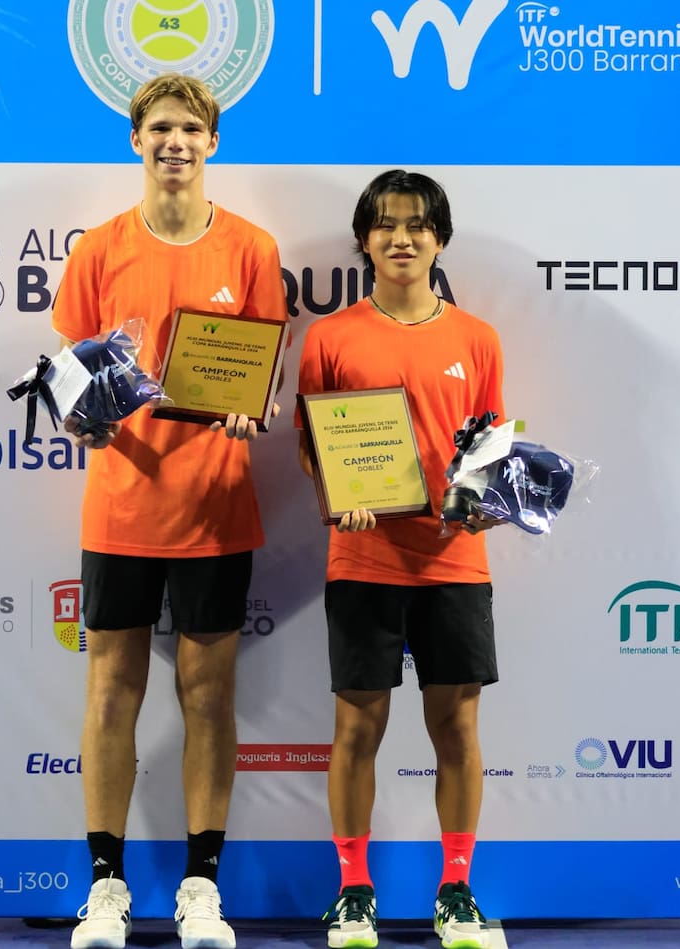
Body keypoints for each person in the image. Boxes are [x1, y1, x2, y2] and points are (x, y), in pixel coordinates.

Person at [51, 73, 288, 949]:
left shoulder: (253, 248)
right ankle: (105, 886)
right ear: (136, 140)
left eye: (190, 127)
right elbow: (69, 370)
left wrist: (252, 407)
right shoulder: (99, 249)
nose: (175, 142)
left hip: (216, 509)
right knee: (111, 692)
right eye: (159, 128)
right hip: (120, 507)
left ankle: (201, 886)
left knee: (209, 696)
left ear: (213, 142)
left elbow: (261, 373)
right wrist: (79, 416)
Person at [296, 170, 506, 949]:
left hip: (454, 562)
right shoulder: (331, 336)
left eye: (417, 225)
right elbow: (312, 444)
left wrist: (485, 499)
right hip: (363, 557)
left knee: (457, 727)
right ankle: (353, 892)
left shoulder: (478, 338)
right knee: (357, 726)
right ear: (365, 239)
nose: (402, 238)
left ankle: (457, 890)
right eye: (385, 224)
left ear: (439, 239)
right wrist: (338, 495)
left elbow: (489, 446)